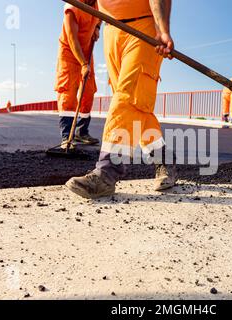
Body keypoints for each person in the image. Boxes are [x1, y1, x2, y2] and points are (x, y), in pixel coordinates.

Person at [66, 0, 176, 199]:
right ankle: (164, 160)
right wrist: (98, 25)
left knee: (127, 95)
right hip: (112, 30)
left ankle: (107, 172)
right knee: (136, 104)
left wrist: (163, 29)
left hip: (143, 29)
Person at [55, 0, 101, 149]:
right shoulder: (72, 8)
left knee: (88, 91)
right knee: (68, 92)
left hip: (87, 51)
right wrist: (82, 64)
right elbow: (72, 39)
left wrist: (97, 27)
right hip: (69, 52)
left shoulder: (98, 4)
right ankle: (67, 137)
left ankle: (82, 132)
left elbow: (101, 16)